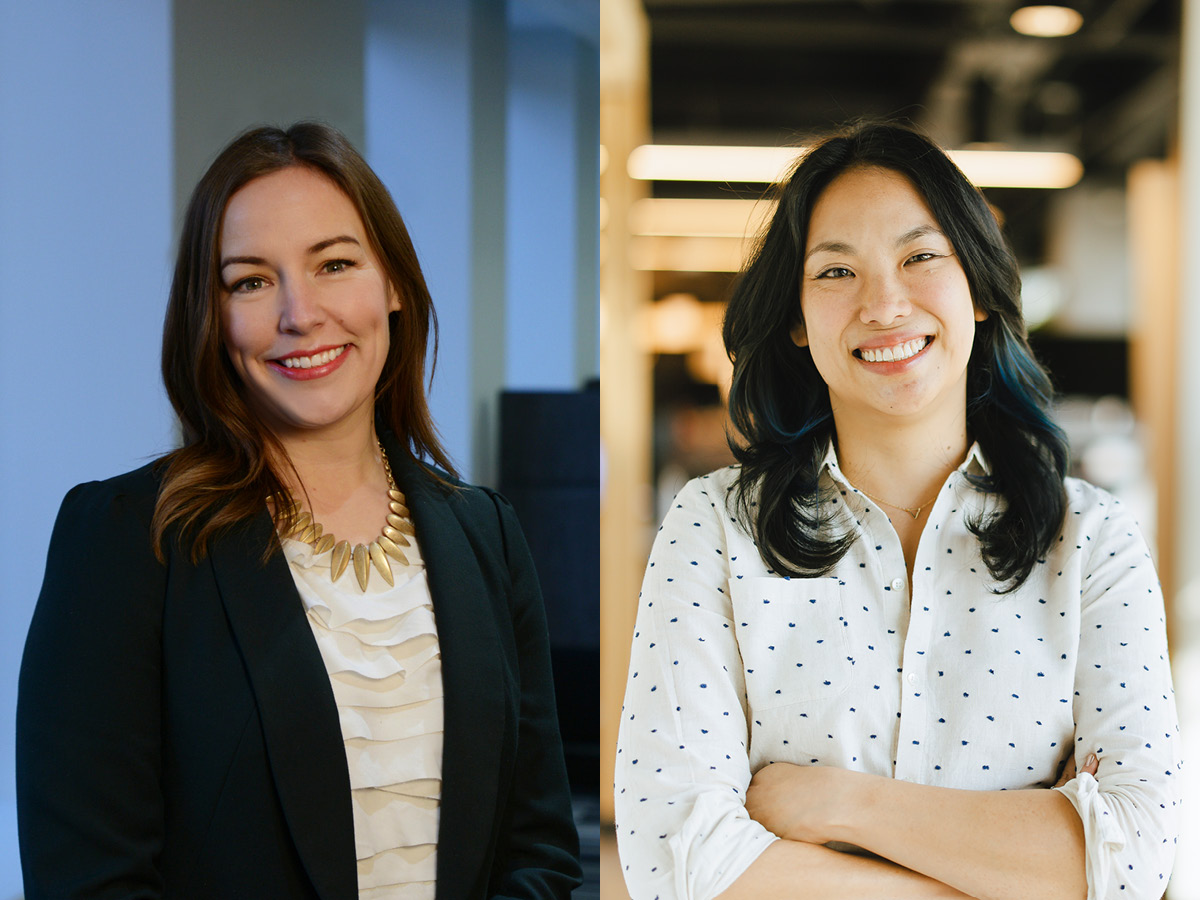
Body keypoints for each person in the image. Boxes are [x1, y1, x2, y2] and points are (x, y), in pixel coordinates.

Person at [614, 122, 1180, 900]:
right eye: (836, 270)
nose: (884, 304)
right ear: (795, 318)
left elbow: (1139, 856)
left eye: (920, 257)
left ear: (978, 289)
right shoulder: (713, 527)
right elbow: (676, 860)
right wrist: (1029, 862)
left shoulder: (1091, 542)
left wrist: (835, 803)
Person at [17, 122, 581, 900]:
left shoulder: (487, 535)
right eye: (250, 280)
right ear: (211, 318)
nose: (299, 313)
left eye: (335, 264)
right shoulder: (123, 540)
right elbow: (90, 880)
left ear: (393, 285)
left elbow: (542, 851)